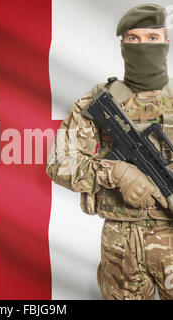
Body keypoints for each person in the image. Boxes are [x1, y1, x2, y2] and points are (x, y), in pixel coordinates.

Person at [46, 3, 173, 300]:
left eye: (152, 39)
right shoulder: (100, 102)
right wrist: (115, 172)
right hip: (120, 244)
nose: (143, 46)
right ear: (123, 45)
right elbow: (60, 163)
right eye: (134, 39)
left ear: (166, 41)